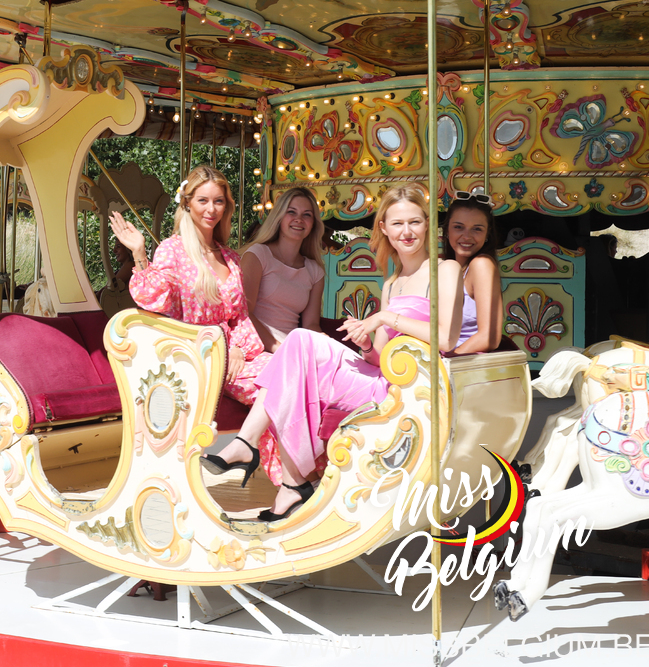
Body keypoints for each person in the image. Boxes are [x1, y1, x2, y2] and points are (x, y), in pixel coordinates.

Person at [203, 183, 464, 521]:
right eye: (397, 223)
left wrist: (385, 318)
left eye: (414, 222)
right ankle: (274, 469)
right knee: (300, 340)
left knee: (299, 343)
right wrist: (365, 342)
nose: (407, 231)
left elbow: (447, 339)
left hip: (415, 384)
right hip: (385, 374)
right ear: (384, 228)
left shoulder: (446, 270)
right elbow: (379, 356)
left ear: (427, 224)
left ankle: (273, 466)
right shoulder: (392, 284)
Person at [110, 165, 268, 405]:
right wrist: (139, 253)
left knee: (292, 374)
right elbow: (151, 298)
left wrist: (239, 349)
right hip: (195, 355)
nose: (211, 209)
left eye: (218, 201)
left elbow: (239, 317)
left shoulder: (231, 258)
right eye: (203, 200)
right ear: (187, 203)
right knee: (276, 385)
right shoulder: (173, 250)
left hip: (233, 354)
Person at [240, 186, 325, 353]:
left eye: (307, 215)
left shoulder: (315, 271)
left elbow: (311, 324)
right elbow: (244, 313)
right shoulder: (258, 255)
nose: (299, 219)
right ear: (279, 217)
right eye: (291, 212)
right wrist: (276, 348)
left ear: (313, 223)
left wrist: (324, 340)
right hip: (255, 344)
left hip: (291, 348)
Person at [444, 191, 502, 354]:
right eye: (458, 227)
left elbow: (489, 337)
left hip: (465, 362)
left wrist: (446, 361)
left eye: (477, 229)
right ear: (447, 229)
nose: (467, 236)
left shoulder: (481, 265)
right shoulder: (447, 268)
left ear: (487, 233)